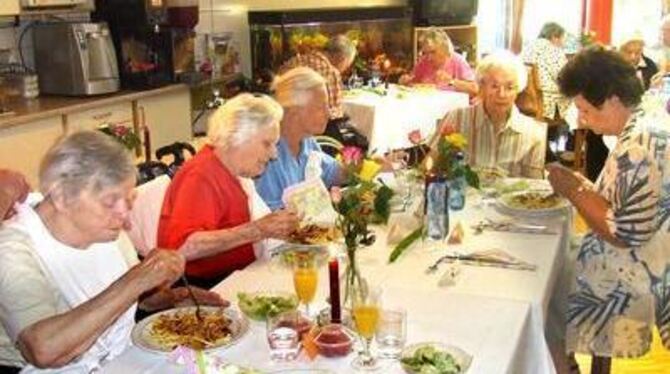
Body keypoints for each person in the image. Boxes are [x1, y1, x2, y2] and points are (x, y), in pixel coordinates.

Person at [0, 131, 225, 373]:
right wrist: (137, 279)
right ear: (62, 197)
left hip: (122, 360)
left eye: (129, 200)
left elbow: (128, 298)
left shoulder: (105, 226)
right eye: (110, 202)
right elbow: (44, 351)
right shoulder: (13, 250)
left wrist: (170, 297)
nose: (126, 217)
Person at [549, 46, 670, 364]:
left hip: (633, 269)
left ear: (613, 99)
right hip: (644, 257)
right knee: (551, 268)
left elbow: (623, 232)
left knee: (543, 292)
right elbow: (624, 200)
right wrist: (586, 188)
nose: (582, 120)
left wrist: (574, 189)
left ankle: (560, 364)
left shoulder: (638, 145)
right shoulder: (645, 125)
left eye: (585, 109)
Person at [157, 93, 300, 289]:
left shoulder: (231, 172)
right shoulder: (202, 175)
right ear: (236, 137)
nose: (274, 154)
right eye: (267, 143)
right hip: (205, 289)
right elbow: (186, 246)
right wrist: (258, 230)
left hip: (236, 277)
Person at [430, 51, 547, 178]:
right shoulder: (456, 118)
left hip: (508, 198)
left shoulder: (534, 133)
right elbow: (431, 162)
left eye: (510, 87)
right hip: (464, 196)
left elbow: (534, 187)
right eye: (494, 86)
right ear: (481, 87)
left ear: (518, 90)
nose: (502, 94)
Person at [255, 67, 345, 211]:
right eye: (321, 107)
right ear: (294, 111)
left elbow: (334, 173)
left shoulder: (307, 142)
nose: (329, 114)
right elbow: (271, 220)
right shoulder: (268, 157)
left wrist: (371, 166)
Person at [280, 34, 369, 153]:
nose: (345, 69)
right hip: (316, 134)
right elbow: (333, 114)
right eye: (347, 64)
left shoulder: (295, 61)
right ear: (341, 58)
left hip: (284, 125)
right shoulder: (330, 73)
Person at [399, 28, 478, 96]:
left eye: (433, 52)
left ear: (444, 48)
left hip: (451, 108)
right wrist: (405, 82)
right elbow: (412, 84)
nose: (429, 57)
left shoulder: (457, 61)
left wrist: (451, 81)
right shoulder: (423, 61)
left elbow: (474, 89)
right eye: (425, 53)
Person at [522, 22, 570, 120]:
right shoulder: (554, 51)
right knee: (579, 101)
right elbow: (563, 78)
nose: (563, 43)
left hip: (525, 99)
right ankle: (576, 134)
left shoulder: (528, 47)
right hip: (545, 102)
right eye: (563, 39)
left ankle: (551, 133)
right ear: (554, 37)